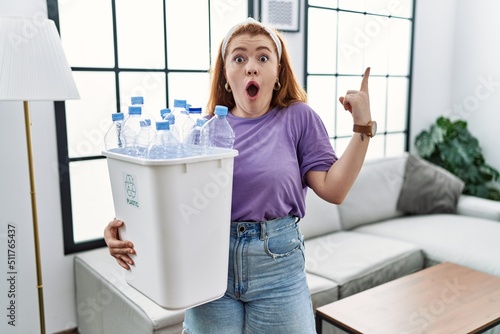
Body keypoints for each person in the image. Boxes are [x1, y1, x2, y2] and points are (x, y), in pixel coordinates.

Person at [104, 17, 373, 334]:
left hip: (277, 264)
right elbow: (175, 206)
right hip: (207, 259)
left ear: (278, 73)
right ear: (226, 77)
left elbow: (334, 189)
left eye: (263, 57)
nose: (251, 67)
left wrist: (362, 127)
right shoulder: (201, 131)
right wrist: (124, 230)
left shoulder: (299, 117)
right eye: (239, 58)